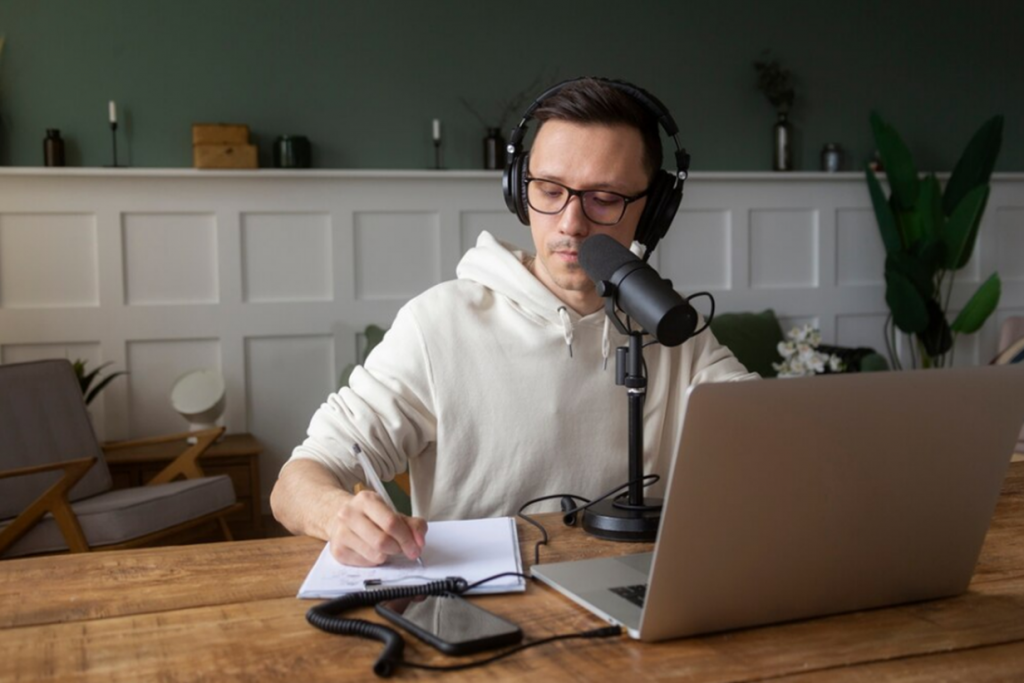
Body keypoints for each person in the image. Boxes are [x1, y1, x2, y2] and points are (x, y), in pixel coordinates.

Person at [270, 78, 757, 567]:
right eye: (549, 190)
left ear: (653, 211)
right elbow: (301, 479)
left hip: (639, 603)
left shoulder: (674, 331)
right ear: (518, 191)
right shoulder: (437, 322)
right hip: (477, 612)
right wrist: (338, 516)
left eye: (604, 198)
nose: (570, 223)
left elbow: (772, 440)